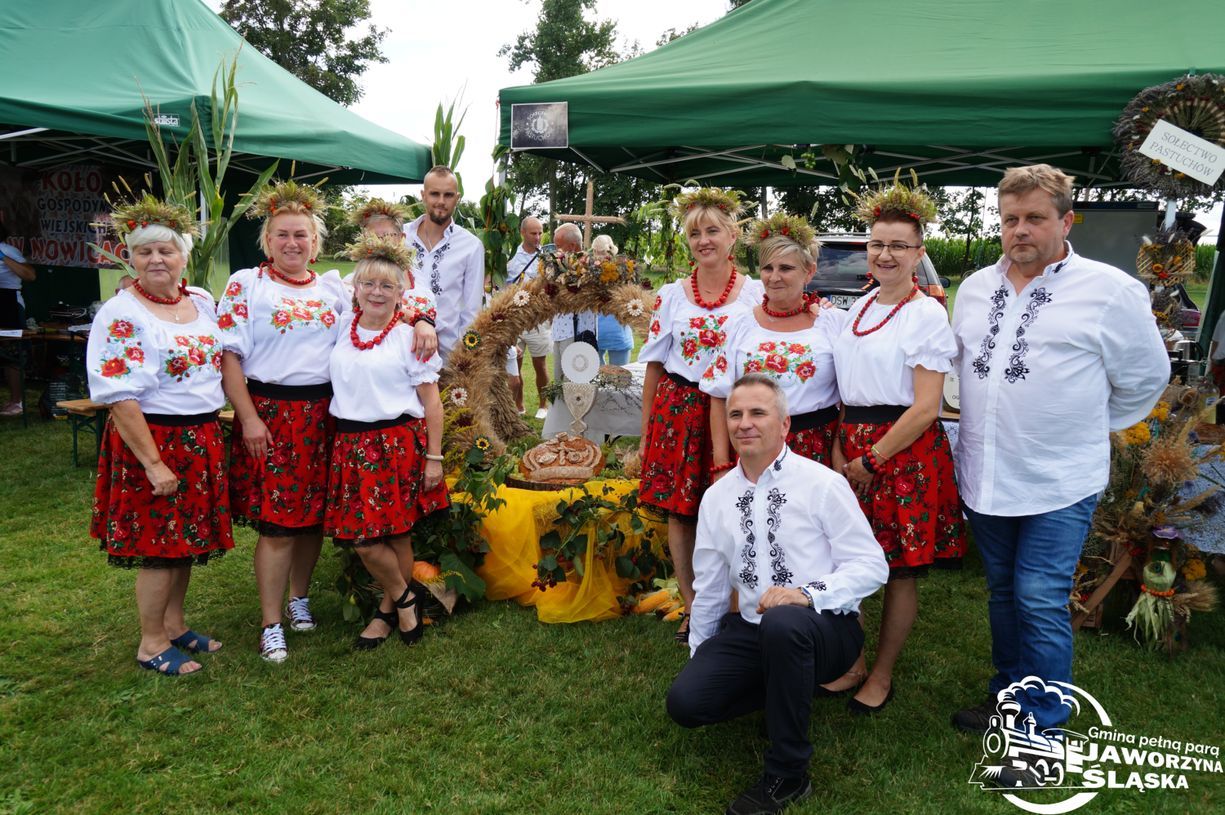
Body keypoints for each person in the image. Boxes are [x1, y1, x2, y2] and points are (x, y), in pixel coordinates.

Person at [949, 165, 1169, 745]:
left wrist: (1084, 426)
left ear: (1067, 221)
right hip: (986, 474)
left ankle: (1041, 727)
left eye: (1035, 218)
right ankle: (1008, 697)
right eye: (1010, 219)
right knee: (1001, 592)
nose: (1020, 230)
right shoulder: (974, 289)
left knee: (1038, 597)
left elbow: (1146, 379)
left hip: (1059, 479)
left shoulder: (1110, 291)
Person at [667, 374, 888, 815]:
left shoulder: (822, 483)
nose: (744, 424)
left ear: (785, 424)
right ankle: (787, 685)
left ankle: (788, 772)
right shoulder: (716, 498)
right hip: (749, 630)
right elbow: (710, 587)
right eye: (735, 414)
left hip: (825, 628)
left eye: (757, 413)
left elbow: (871, 566)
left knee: (783, 623)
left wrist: (807, 593)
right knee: (687, 704)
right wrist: (703, 657)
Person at [825, 180, 965, 714]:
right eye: (876, 243)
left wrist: (871, 459)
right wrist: (842, 454)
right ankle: (853, 660)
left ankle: (881, 675)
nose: (884, 254)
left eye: (898, 246)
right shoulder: (857, 308)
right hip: (852, 446)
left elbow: (927, 406)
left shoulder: (925, 313)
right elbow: (846, 390)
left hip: (900, 451)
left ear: (919, 253)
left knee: (900, 568)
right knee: (850, 558)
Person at [85, 196, 232, 675]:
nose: (155, 261)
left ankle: (173, 625)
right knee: (157, 547)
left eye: (165, 251)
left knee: (184, 541)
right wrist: (152, 462)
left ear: (184, 256)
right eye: (144, 252)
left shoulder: (202, 302)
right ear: (129, 257)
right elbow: (119, 396)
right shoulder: (121, 314)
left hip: (201, 435)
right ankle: (150, 642)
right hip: (153, 438)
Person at [217, 180, 348, 663]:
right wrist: (248, 418)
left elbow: (395, 297)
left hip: (323, 414)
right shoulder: (247, 285)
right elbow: (229, 359)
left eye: (302, 235)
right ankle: (271, 622)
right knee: (276, 525)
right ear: (267, 241)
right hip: (269, 414)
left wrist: (419, 322)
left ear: (316, 242)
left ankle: (300, 600)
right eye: (283, 235)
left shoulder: (334, 288)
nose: (293, 243)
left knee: (311, 519)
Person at [638, 187, 765, 643]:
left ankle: (735, 604)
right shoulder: (671, 295)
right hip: (677, 408)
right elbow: (654, 364)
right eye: (695, 234)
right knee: (681, 510)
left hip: (735, 411)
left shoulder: (754, 292)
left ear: (733, 237)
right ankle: (693, 606)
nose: (704, 240)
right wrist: (647, 428)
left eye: (713, 231)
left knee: (735, 505)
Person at [325, 236, 448, 650]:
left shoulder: (411, 337)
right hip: (351, 442)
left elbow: (432, 404)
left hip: (397, 442)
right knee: (363, 539)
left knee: (397, 535)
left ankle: (386, 611)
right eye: (368, 284)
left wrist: (435, 457)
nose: (376, 292)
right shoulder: (343, 326)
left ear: (401, 292)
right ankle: (406, 598)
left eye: (387, 286)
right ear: (355, 288)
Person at [702, 214, 845, 468]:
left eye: (786, 268)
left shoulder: (833, 323)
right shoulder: (739, 325)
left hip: (815, 447)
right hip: (754, 447)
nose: (774, 277)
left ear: (809, 272)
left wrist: (838, 452)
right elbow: (718, 395)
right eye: (768, 268)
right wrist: (721, 464)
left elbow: (848, 398)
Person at [402, 166, 485, 362]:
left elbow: (472, 310)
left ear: (457, 198)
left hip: (446, 356)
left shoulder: (471, 246)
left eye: (448, 195)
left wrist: (463, 358)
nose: (441, 201)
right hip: (400, 347)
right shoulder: (401, 237)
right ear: (423, 195)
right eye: (434, 194)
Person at [348, 199, 439, 360]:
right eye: (372, 238)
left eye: (386, 236)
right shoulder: (352, 285)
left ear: (401, 238)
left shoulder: (420, 280)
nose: (379, 243)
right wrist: (419, 320)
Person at [507, 216, 551, 418]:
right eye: (534, 233)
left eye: (540, 232)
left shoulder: (547, 258)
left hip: (537, 320)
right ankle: (519, 405)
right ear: (522, 233)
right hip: (515, 319)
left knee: (540, 365)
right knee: (514, 364)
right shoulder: (509, 258)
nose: (538, 237)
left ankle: (543, 406)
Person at [548, 223, 598, 382]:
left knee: (574, 385)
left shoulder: (591, 267)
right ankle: (558, 407)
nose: (556, 250)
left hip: (577, 332)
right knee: (559, 382)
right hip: (560, 331)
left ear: (572, 246)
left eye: (558, 246)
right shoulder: (557, 264)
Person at [0, 225, 36, 417]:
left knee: (11, 352)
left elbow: (30, 275)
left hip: (8, 304)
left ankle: (17, 401)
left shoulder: (8, 250)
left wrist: (3, 258)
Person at [591, 234, 635, 365]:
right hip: (616, 331)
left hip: (597, 332)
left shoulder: (589, 272)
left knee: (595, 378)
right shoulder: (625, 271)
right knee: (619, 379)